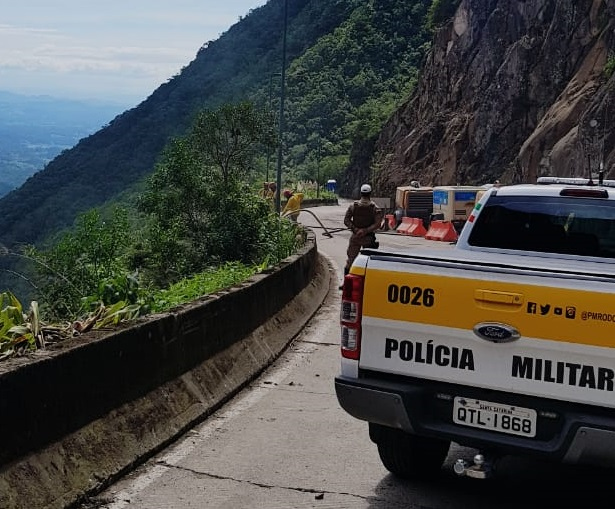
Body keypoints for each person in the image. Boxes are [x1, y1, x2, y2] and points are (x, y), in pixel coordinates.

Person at [341, 184, 383, 289]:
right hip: (368, 238)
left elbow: (346, 220)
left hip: (355, 237)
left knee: (350, 261)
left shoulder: (353, 206)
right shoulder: (375, 208)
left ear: (361, 193)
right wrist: (365, 231)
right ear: (370, 194)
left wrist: (355, 229)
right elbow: (378, 224)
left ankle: (346, 284)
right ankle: (369, 285)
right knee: (370, 261)